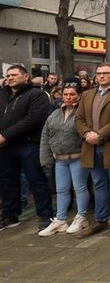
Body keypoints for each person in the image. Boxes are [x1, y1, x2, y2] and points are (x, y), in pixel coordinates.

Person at [74, 62, 110, 238]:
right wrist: (86, 134)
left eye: (106, 73)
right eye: (99, 73)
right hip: (90, 146)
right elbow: (78, 119)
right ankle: (100, 220)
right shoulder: (87, 95)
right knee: (98, 184)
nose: (101, 76)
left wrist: (99, 135)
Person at [0, 65, 54, 231]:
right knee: (7, 182)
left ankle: (45, 216)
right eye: (8, 75)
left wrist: (5, 135)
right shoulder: (4, 95)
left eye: (14, 75)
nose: (10, 78)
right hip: (6, 147)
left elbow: (33, 119)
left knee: (36, 180)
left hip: (28, 144)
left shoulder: (37, 94)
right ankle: (10, 216)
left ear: (26, 77)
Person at [38, 80, 90, 236]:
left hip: (77, 157)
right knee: (61, 190)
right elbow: (45, 136)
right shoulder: (55, 113)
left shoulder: (83, 113)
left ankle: (82, 216)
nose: (68, 97)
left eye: (72, 94)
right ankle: (60, 220)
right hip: (59, 159)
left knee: (79, 188)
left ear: (79, 96)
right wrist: (45, 159)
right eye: (65, 94)